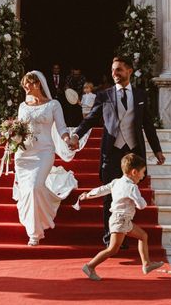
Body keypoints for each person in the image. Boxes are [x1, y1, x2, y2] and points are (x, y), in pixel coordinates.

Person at [69, 56, 166, 247]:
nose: (115, 73)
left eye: (119, 69)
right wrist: (76, 135)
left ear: (129, 71)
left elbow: (147, 124)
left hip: (132, 154)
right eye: (113, 70)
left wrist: (157, 151)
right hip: (111, 152)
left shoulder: (140, 96)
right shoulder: (104, 95)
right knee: (109, 196)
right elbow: (90, 119)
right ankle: (109, 237)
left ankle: (122, 233)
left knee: (127, 197)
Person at [78, 153, 164, 281]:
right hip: (121, 220)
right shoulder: (132, 187)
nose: (142, 176)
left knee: (143, 236)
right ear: (134, 172)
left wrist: (88, 195)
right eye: (142, 172)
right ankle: (89, 266)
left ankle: (146, 264)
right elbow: (141, 205)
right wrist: (143, 200)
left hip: (122, 219)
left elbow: (102, 190)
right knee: (112, 249)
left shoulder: (116, 182)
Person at [14, 71, 77, 246]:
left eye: (28, 83)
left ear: (38, 84)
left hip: (44, 152)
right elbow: (19, 129)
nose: (25, 86)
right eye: (24, 84)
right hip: (24, 154)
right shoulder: (22, 106)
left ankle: (36, 230)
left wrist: (67, 140)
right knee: (28, 189)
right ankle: (33, 231)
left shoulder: (53, 105)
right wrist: (12, 137)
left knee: (35, 187)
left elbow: (62, 128)